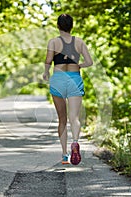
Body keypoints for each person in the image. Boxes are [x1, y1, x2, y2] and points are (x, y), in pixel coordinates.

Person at [43, 14, 93, 165]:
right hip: (74, 79)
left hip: (58, 79)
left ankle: (65, 155)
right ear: (72, 26)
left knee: (62, 119)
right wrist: (79, 66)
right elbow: (89, 62)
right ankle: (75, 142)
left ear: (58, 26)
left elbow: (48, 61)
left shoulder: (53, 42)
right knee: (74, 118)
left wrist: (46, 73)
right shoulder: (79, 42)